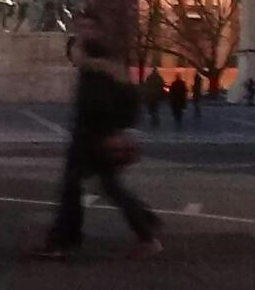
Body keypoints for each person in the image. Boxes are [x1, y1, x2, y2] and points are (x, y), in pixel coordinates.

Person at [34, 37, 160, 260]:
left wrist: (110, 131)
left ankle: (64, 240)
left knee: (74, 189)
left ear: (85, 51)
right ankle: (144, 225)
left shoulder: (95, 75)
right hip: (95, 138)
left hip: (93, 140)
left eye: (74, 48)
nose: (71, 54)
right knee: (108, 187)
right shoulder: (105, 72)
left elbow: (99, 107)